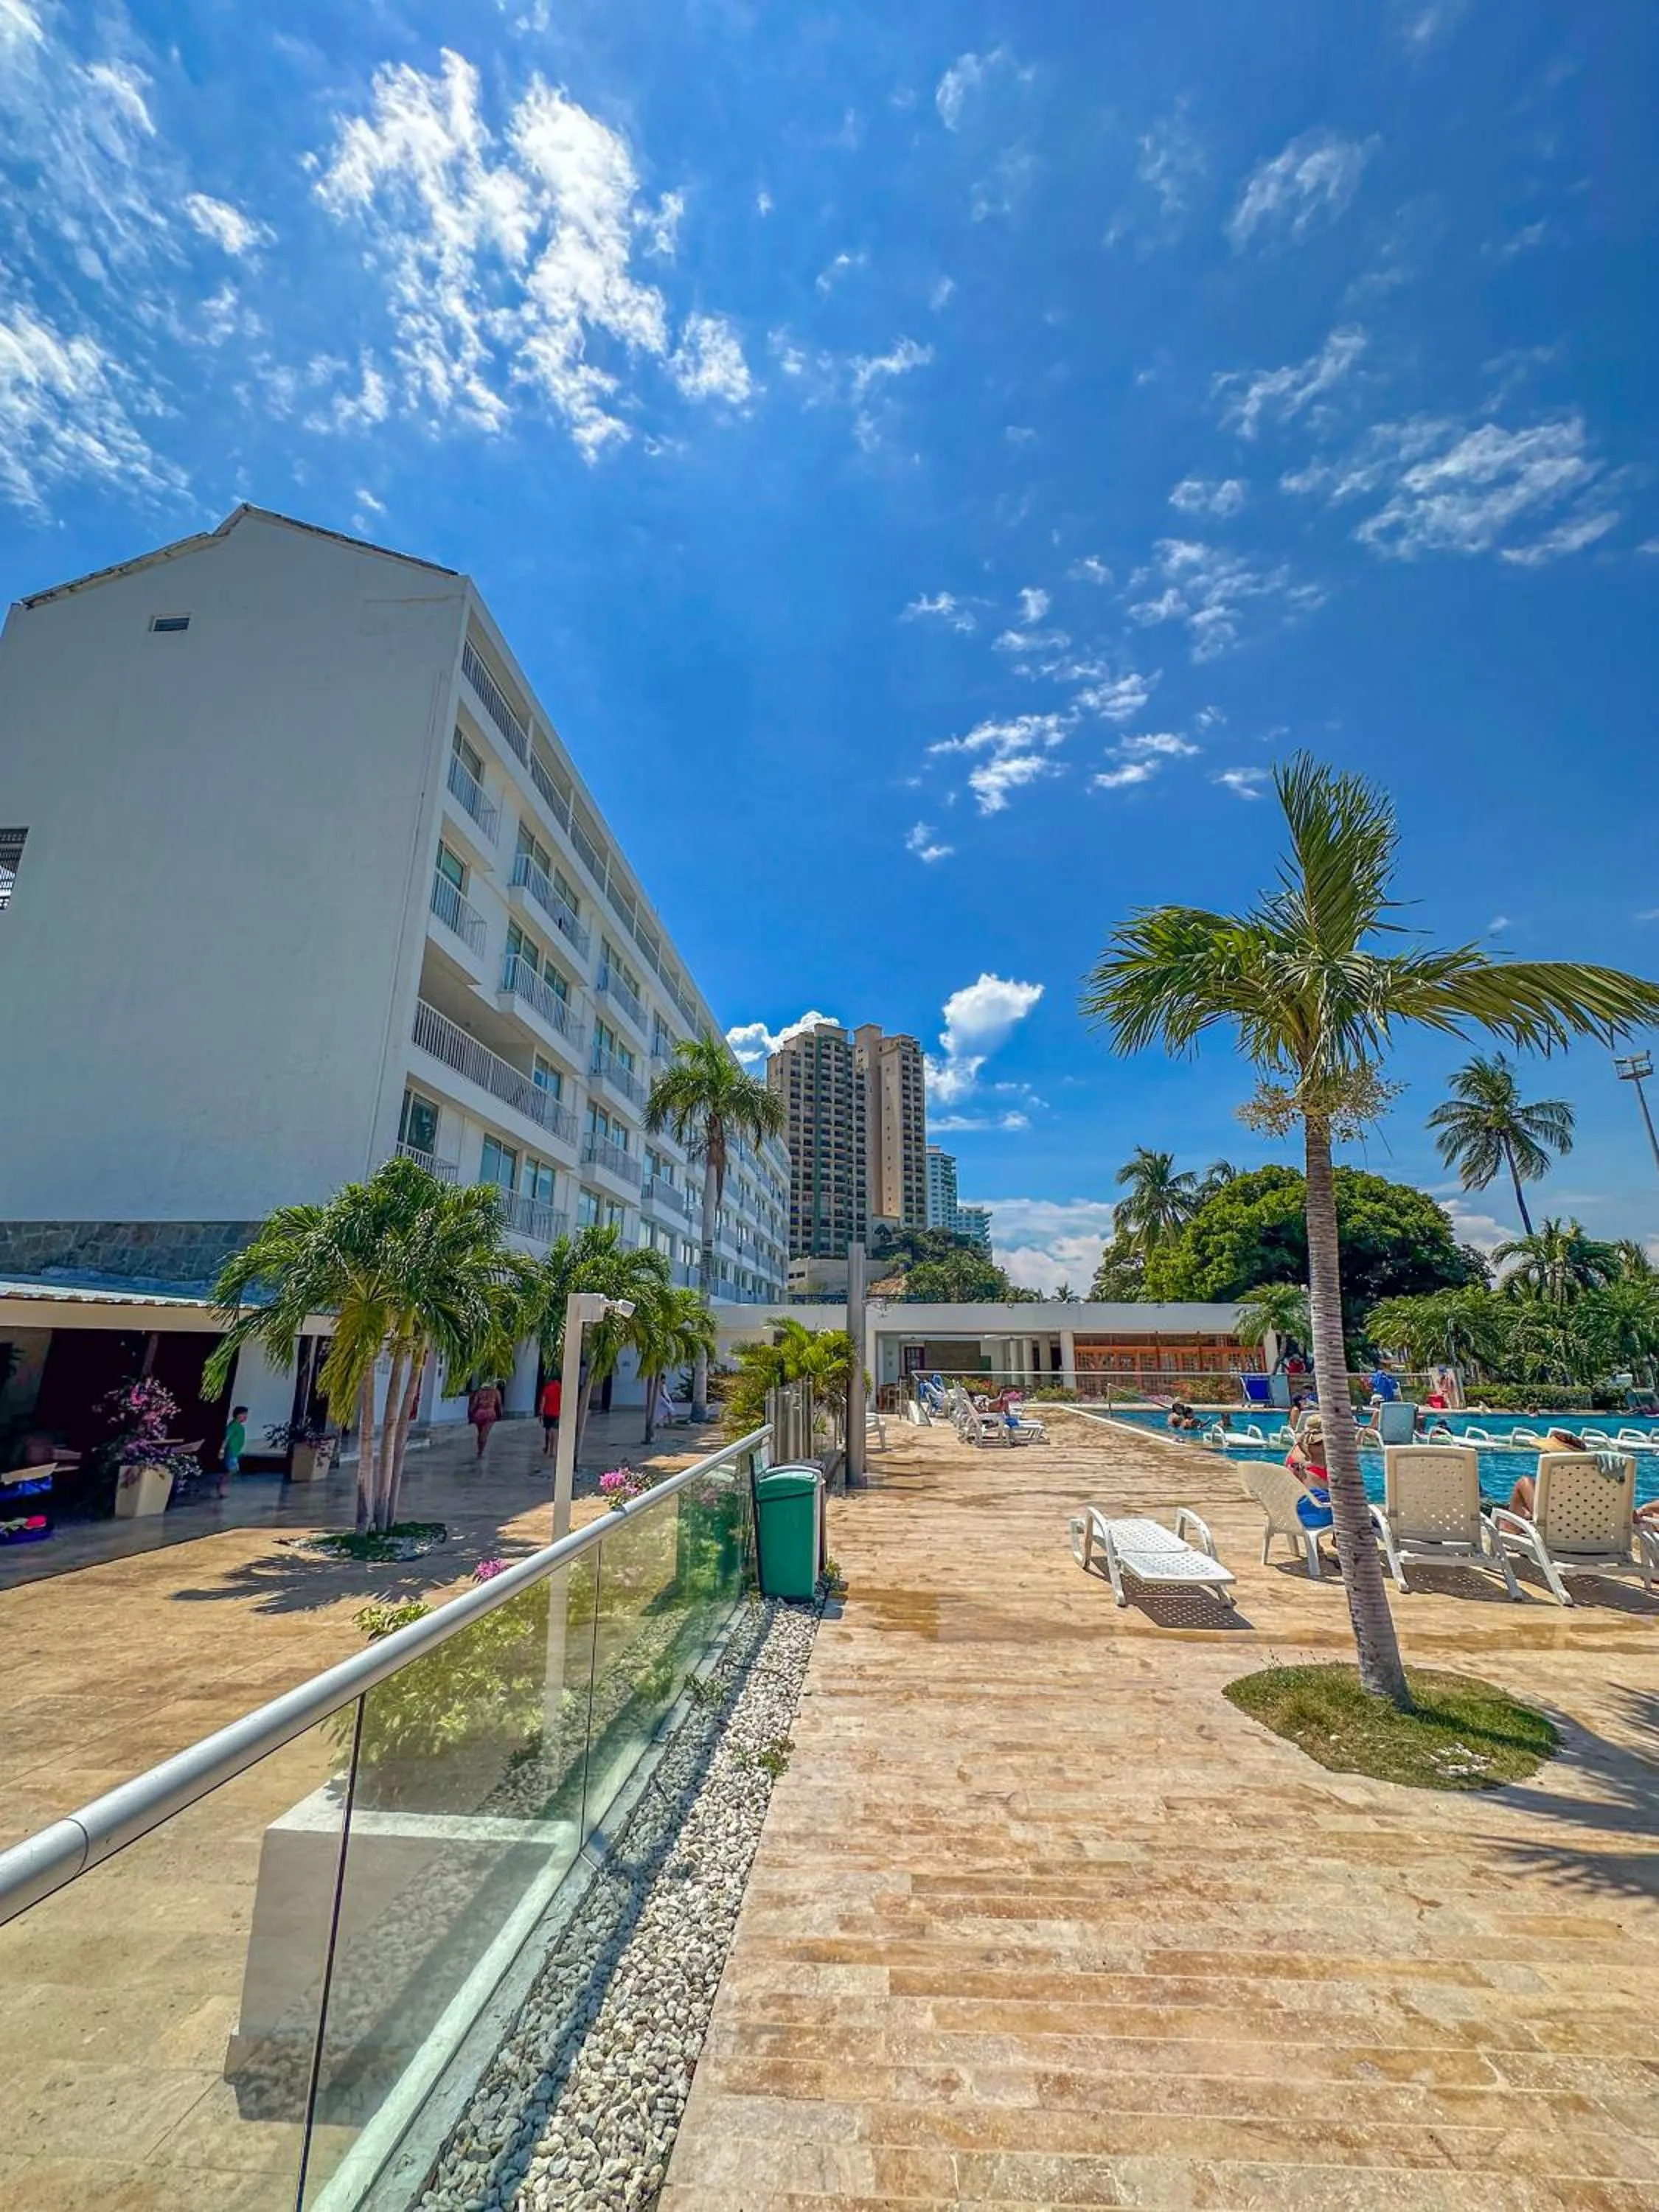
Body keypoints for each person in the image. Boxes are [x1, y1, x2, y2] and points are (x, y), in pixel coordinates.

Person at [1285, 1415, 1335, 1544]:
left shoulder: (1292, 1455)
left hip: (1292, 1512)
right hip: (1314, 1516)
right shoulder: (1318, 1463)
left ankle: (1318, 1547)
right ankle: (1339, 1540)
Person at [468, 1379, 504, 1461]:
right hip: (490, 1413)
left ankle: (479, 1450)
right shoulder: (495, 1392)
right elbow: (499, 1404)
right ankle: (480, 1452)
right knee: (485, 1434)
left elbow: (474, 1405)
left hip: (479, 1413)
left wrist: (471, 1415)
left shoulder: (479, 1392)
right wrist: (501, 1415)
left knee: (480, 1433)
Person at [219, 1405, 248, 1500]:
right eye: (244, 1415)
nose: (246, 1417)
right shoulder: (233, 1425)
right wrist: (222, 1451)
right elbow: (226, 1439)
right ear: (239, 1415)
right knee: (231, 1471)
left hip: (235, 1452)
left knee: (233, 1471)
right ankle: (222, 1487)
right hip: (231, 1452)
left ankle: (223, 1486)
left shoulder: (239, 1426)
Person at [539, 1374, 562, 1457]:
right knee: (554, 1432)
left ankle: (547, 1448)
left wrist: (541, 1413)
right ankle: (552, 1451)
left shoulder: (547, 1389)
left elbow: (543, 1402)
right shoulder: (560, 1389)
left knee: (548, 1431)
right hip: (557, 1413)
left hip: (548, 1413)